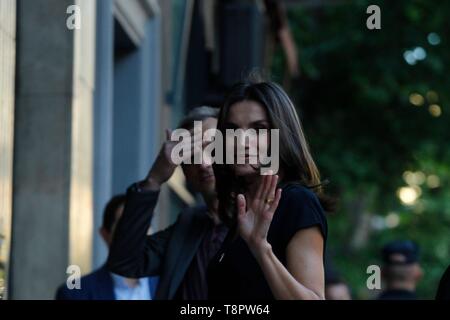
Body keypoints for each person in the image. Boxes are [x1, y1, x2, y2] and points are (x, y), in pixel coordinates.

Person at [208, 80, 333, 299]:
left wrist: (260, 248)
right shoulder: (241, 210)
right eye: (232, 130)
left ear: (282, 136)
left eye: (259, 129)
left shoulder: (296, 202)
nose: (242, 141)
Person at [107, 106, 227, 300]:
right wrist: (154, 179)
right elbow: (125, 262)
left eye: (213, 149)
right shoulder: (189, 224)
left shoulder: (263, 218)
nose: (204, 163)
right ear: (185, 172)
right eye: (193, 156)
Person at [55, 195, 158, 300]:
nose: (136, 232)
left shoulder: (170, 286)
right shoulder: (75, 295)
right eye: (126, 224)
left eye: (143, 223)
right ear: (105, 234)